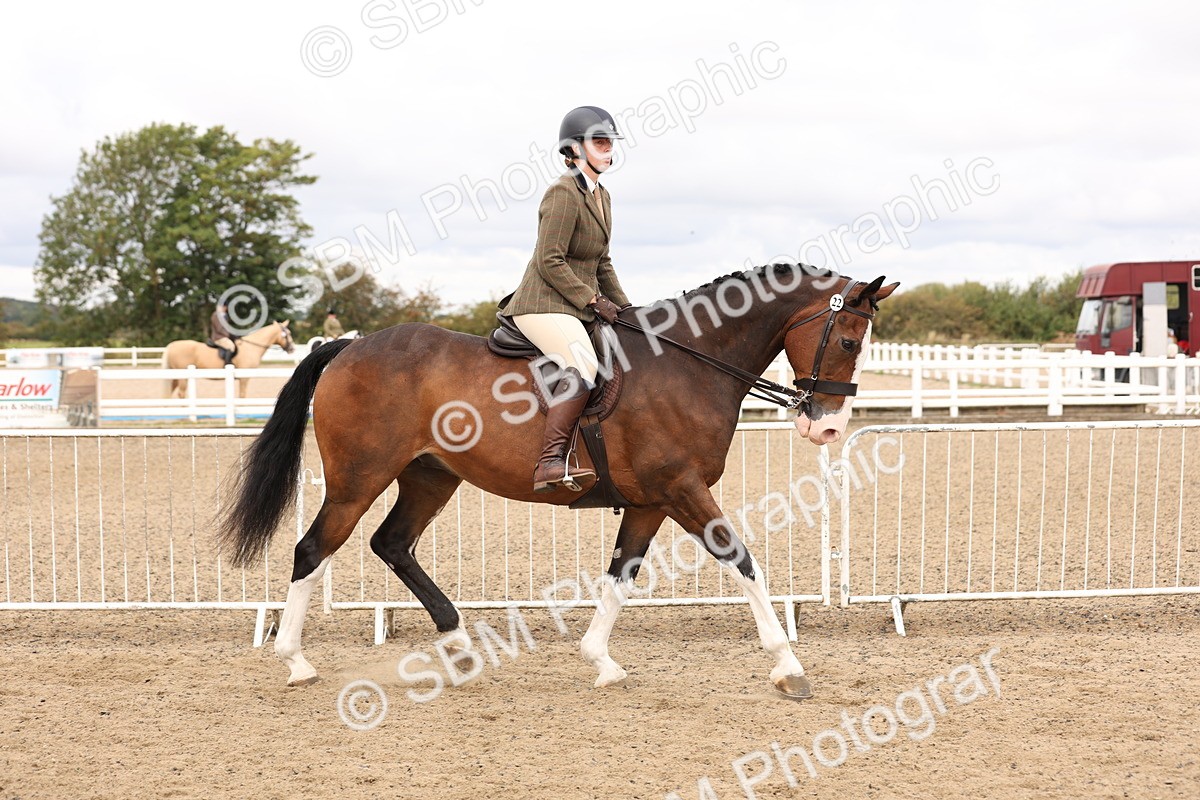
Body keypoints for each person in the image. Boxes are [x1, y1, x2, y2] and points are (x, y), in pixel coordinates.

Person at [498, 105, 632, 493]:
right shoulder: (562, 193)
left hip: (576, 305)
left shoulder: (603, 196)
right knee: (584, 363)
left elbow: (602, 261)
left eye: (610, 143)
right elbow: (549, 259)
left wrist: (626, 310)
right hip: (541, 303)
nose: (608, 150)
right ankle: (550, 462)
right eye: (600, 142)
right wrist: (592, 300)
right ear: (574, 148)